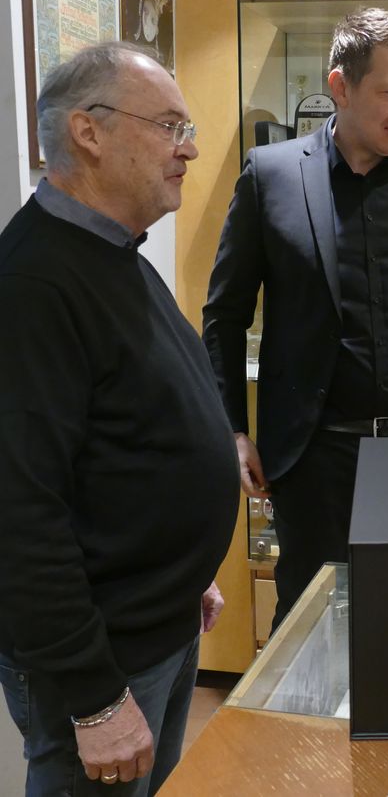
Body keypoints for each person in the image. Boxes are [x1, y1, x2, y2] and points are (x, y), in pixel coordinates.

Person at [203, 8, 388, 628]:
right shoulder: (272, 174)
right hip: (312, 450)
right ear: (340, 87)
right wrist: (231, 430)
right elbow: (225, 314)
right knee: (308, 618)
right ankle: (304, 731)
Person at [0, 42, 239, 794]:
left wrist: (179, 573)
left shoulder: (115, 254)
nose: (191, 148)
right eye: (170, 125)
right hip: (102, 661)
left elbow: (132, 438)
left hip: (158, 624)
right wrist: (95, 697)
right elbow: (19, 513)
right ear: (88, 133)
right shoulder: (34, 283)